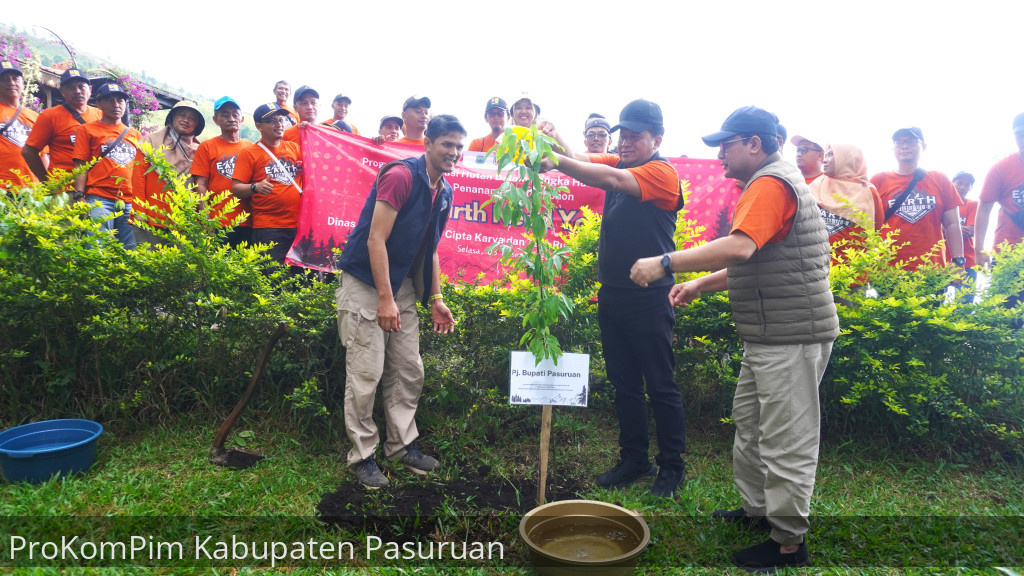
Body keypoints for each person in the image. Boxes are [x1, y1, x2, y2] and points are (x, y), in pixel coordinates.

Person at [631, 105, 837, 571]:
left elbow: (741, 246)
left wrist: (665, 263)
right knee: (751, 423)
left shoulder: (769, 184)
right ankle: (757, 511)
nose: (720, 154)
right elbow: (756, 257)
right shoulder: (768, 181)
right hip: (770, 335)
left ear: (755, 145)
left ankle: (788, 543)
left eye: (726, 145)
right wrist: (702, 283)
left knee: (785, 439)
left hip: (790, 336)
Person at [538, 99, 686, 498]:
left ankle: (672, 466)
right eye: (623, 135)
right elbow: (593, 169)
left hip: (650, 297)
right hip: (614, 294)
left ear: (657, 138)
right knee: (624, 384)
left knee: (661, 385)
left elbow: (612, 182)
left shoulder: (661, 173)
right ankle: (634, 458)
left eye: (636, 136)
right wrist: (559, 143)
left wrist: (556, 160)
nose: (626, 142)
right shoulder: (623, 165)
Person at [335, 114, 465, 488]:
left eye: (458, 146)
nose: (453, 152)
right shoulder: (400, 176)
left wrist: (436, 297)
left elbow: (432, 250)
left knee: (409, 368)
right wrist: (385, 300)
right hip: (364, 282)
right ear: (428, 143)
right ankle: (363, 455)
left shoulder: (445, 190)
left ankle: (401, 445)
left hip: (402, 285)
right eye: (446, 144)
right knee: (366, 373)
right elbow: (376, 239)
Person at [870, 127, 964, 271]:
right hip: (888, 271)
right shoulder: (878, 180)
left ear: (923, 146)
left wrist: (958, 260)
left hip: (932, 269)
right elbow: (869, 226)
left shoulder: (940, 179)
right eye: (899, 142)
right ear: (893, 148)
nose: (905, 146)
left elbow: (952, 224)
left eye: (911, 141)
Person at [70, 82, 142, 249]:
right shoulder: (86, 130)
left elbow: (140, 170)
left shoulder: (135, 134)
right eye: (110, 100)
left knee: (129, 252)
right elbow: (81, 165)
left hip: (129, 200)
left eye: (120, 100)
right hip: (99, 198)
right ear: (98, 104)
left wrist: (139, 203)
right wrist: (79, 196)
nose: (116, 105)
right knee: (96, 249)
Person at [230, 103, 303, 265]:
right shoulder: (249, 153)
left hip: (299, 226)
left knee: (298, 281)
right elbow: (236, 189)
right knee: (271, 281)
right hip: (269, 228)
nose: (279, 124)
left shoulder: (294, 148)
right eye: (272, 121)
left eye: (281, 119)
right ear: (259, 126)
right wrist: (255, 187)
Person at [132, 100, 204, 244]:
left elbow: (201, 186)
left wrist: (200, 219)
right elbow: (138, 179)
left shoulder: (201, 150)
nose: (186, 120)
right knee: (149, 264)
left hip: (185, 222)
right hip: (151, 219)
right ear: (172, 118)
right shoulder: (149, 143)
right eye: (182, 115)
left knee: (183, 266)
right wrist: (139, 211)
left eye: (192, 118)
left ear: (197, 124)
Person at [192, 96, 253, 247]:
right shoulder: (207, 147)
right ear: (215, 119)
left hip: (248, 222)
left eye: (235, 114)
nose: (231, 118)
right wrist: (206, 219)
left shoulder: (251, 147)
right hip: (218, 221)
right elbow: (200, 184)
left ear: (242, 118)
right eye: (225, 114)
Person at [23, 68, 101, 184]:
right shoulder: (50, 116)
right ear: (62, 91)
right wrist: (46, 181)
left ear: (89, 90)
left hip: (97, 189)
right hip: (65, 189)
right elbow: (29, 151)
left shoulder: (100, 115)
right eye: (70, 87)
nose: (77, 91)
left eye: (81, 86)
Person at [809, 143, 884, 264]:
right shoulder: (815, 186)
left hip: (855, 272)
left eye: (831, 155)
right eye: (826, 155)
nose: (825, 160)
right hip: (819, 269)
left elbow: (877, 229)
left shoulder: (868, 192)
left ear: (847, 158)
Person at [975, 113, 1024, 268]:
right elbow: (983, 210)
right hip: (1007, 254)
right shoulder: (1001, 169)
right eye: (1019, 134)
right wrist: (979, 249)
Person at [0, 61, 42, 189]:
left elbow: (44, 154)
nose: (11, 83)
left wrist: (48, 185)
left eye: (15, 79)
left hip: (32, 190)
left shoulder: (36, 117)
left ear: (22, 84)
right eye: (5, 79)